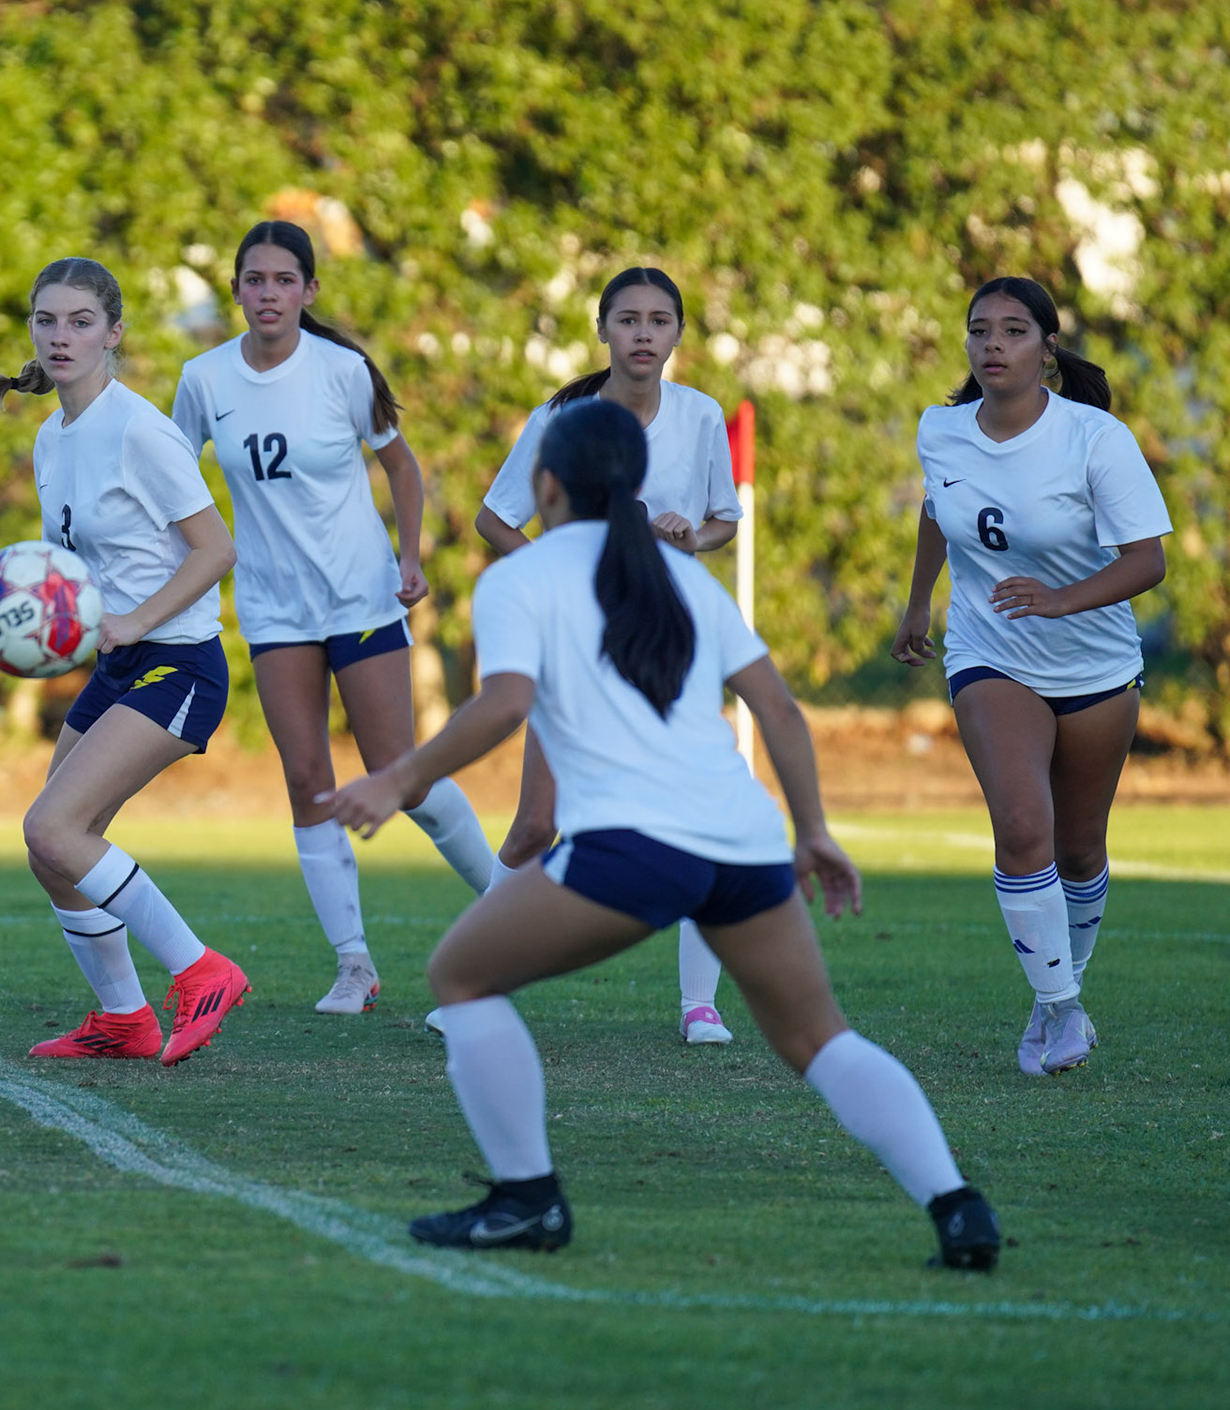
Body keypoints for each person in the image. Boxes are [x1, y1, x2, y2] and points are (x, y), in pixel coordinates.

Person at [332, 398, 1000, 1270]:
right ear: (635, 485)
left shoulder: (521, 579)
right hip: (745, 842)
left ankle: (527, 1199)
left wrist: (395, 780)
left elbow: (503, 705)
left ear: (546, 484)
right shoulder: (683, 577)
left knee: (460, 975)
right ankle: (958, 1206)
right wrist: (812, 831)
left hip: (635, 847)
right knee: (819, 1039)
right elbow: (779, 710)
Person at [171, 221, 494, 1017]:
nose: (268, 293)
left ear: (308, 291)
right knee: (307, 781)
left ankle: (508, 898)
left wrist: (409, 556)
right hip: (274, 606)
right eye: (254, 280)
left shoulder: (343, 371)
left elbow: (402, 467)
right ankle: (354, 965)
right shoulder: (203, 379)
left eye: (284, 280)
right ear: (235, 291)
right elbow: (172, 482)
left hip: (358, 595)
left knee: (399, 773)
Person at [0, 256, 250, 1066]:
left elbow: (216, 549)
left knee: (54, 827)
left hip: (179, 665)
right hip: (119, 665)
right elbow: (60, 576)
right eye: (46, 320)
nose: (61, 337)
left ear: (113, 333)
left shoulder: (139, 431)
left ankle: (203, 971)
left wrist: (135, 621)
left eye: (81, 322)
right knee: (52, 853)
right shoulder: (52, 436)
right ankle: (125, 1020)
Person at [452, 266, 746, 1045]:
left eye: (659, 320)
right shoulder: (563, 418)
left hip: (664, 640)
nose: (643, 333)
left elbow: (724, 522)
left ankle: (700, 1005)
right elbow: (493, 519)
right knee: (535, 825)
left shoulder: (701, 414)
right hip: (576, 645)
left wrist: (691, 536)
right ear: (603, 330)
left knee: (701, 814)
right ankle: (475, 987)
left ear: (678, 333)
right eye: (628, 319)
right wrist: (564, 572)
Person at [891, 276, 1170, 1076]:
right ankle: (1060, 1008)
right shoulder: (941, 430)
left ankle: (1059, 989)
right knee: (1021, 826)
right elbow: (937, 510)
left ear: (1047, 350)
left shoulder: (1095, 438)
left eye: (1013, 331)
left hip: (1095, 663)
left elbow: (1147, 561)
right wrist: (919, 603)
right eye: (979, 329)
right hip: (991, 651)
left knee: (1079, 851)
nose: (992, 344)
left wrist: (1060, 600)